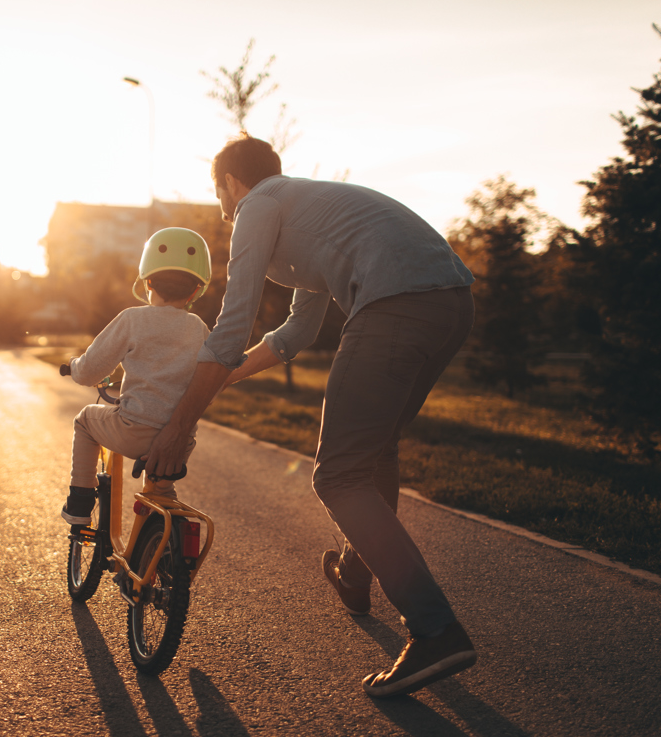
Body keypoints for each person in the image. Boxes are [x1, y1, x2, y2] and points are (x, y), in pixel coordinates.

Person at [143, 134, 478, 698]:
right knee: (374, 454)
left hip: (394, 304)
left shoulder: (258, 206)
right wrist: (217, 381)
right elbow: (296, 332)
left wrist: (181, 421)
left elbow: (232, 326)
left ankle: (435, 628)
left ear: (229, 182)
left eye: (217, 190)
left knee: (336, 475)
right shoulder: (306, 207)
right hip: (451, 302)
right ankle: (356, 571)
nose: (222, 205)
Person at [60, 227, 212, 525]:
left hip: (134, 433)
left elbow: (91, 370)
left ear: (147, 281)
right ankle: (159, 533)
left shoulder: (133, 318)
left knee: (86, 420)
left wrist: (75, 367)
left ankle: (79, 502)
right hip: (181, 443)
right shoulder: (199, 328)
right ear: (196, 289)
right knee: (160, 493)